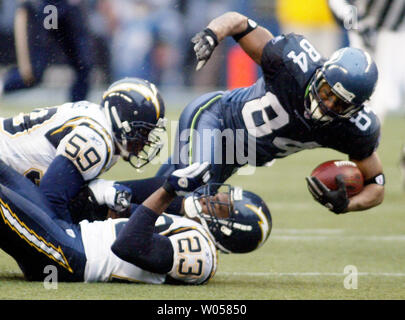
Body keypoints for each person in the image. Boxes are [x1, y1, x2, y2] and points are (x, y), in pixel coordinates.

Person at [156, 11, 385, 215]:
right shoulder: (294, 63)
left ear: (356, 108)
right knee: (197, 202)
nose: (327, 103)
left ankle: (122, 201)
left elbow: (376, 185)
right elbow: (238, 22)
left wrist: (347, 205)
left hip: (233, 156)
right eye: (327, 92)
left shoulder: (355, 127)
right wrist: (212, 34)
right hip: (214, 119)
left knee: (164, 197)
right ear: (321, 75)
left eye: (340, 104)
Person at [0, 160, 272, 284]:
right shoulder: (194, 228)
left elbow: (129, 245)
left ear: (231, 231)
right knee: (6, 173)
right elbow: (133, 224)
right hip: (69, 236)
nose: (211, 199)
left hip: (71, 256)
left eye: (221, 206)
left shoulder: (202, 251)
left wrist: (168, 191)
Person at [0, 77, 166, 222]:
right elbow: (52, 198)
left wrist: (102, 192)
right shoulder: (96, 141)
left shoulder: (101, 126)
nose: (145, 142)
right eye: (143, 132)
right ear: (121, 119)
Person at [328, 0, 405, 189]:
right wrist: (357, 24)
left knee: (381, 93)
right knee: (370, 97)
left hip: (396, 30)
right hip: (364, 25)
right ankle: (361, 162)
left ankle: (362, 160)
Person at [0, 0, 92, 102]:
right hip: (44, 6)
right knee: (32, 74)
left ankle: (76, 109)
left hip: (69, 8)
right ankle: (3, 85)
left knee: (84, 65)